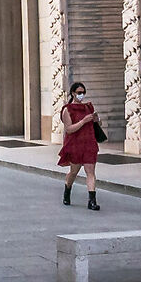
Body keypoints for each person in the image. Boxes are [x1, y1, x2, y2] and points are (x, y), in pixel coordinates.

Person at [57, 81, 102, 210]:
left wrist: (96, 120)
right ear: (73, 93)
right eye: (79, 93)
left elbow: (97, 126)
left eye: (83, 93)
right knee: (73, 172)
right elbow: (69, 129)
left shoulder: (88, 107)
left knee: (91, 172)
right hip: (75, 144)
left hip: (89, 143)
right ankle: (67, 190)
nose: (81, 95)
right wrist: (83, 121)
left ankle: (92, 200)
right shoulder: (67, 109)